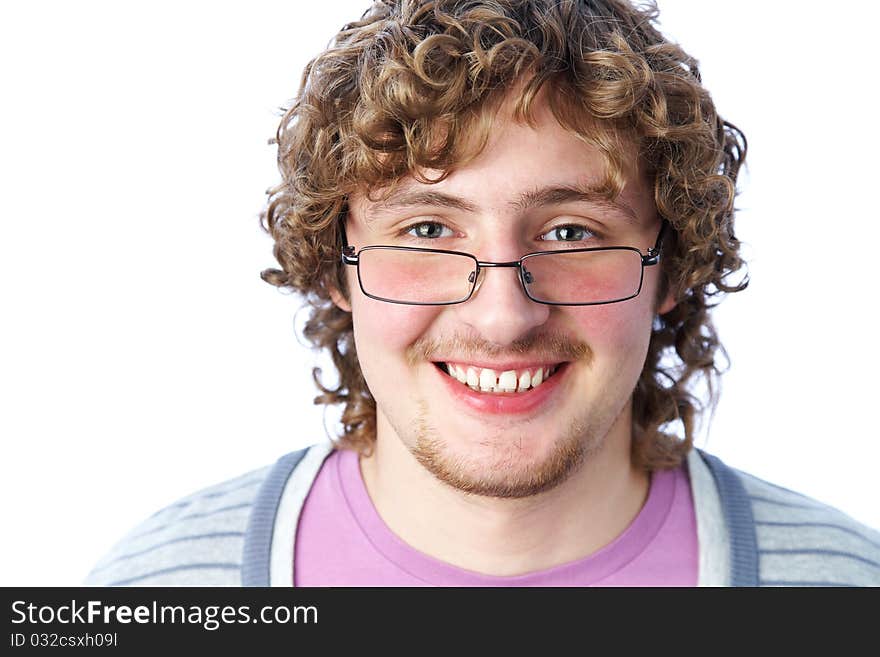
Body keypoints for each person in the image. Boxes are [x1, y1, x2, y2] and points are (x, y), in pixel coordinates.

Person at [86, 0, 880, 587]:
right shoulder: (157, 590)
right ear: (336, 265)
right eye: (429, 231)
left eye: (570, 232)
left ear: (669, 266)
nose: (503, 316)